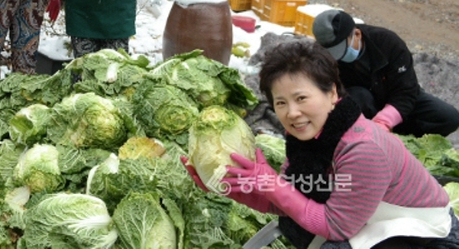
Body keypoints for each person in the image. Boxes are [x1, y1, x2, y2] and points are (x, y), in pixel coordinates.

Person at [183, 39, 459, 249]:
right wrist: (229, 187)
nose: (291, 113)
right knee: (297, 224)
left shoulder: (363, 148)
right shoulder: (309, 138)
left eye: (301, 98)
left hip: (427, 236)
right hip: (370, 220)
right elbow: (289, 202)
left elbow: (334, 226)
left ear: (332, 93)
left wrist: (270, 182)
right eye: (281, 103)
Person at [312, 9, 459, 137]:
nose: (340, 57)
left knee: (448, 117)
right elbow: (324, 95)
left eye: (342, 51)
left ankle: (402, 138)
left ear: (357, 34)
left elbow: (407, 90)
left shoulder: (388, 42)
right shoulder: (321, 57)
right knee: (359, 97)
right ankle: (360, 138)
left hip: (395, 97)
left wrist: (385, 120)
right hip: (361, 104)